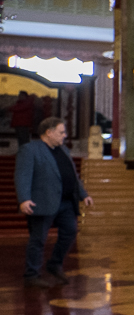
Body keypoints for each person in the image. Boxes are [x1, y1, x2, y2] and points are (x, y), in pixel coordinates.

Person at [15, 117, 93, 288]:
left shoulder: (63, 150)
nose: (64, 136)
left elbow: (73, 175)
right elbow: (23, 176)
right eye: (61, 132)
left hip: (65, 203)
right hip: (42, 202)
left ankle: (54, 264)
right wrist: (24, 199)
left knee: (70, 232)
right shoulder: (30, 150)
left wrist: (83, 195)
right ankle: (31, 275)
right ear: (48, 133)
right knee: (38, 239)